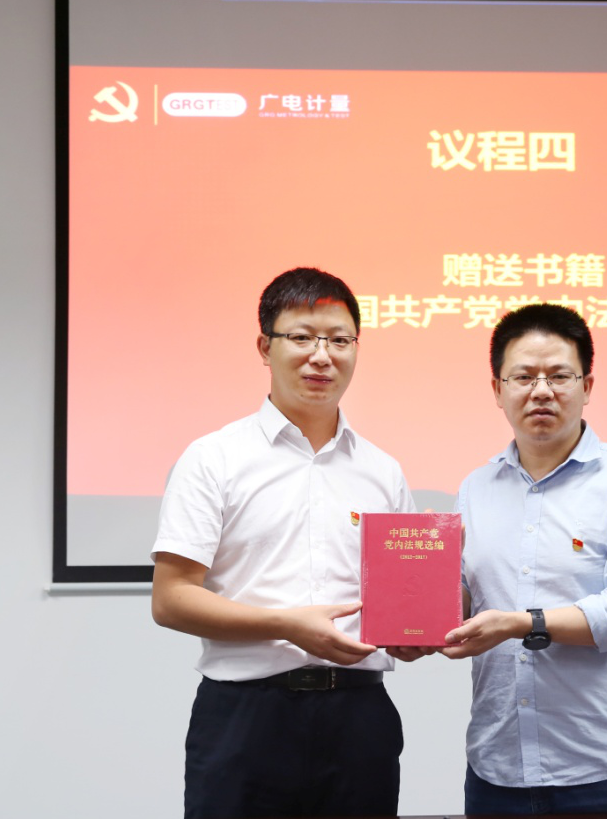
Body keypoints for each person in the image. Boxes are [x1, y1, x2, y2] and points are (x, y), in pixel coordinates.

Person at [151, 267, 414, 819]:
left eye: (339, 340)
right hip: (246, 718)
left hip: (359, 717)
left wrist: (412, 634)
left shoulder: (383, 471)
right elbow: (171, 599)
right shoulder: (214, 458)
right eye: (301, 337)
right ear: (264, 347)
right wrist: (287, 624)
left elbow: (401, 601)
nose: (322, 356)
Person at [442, 303, 607, 815]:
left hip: (599, 766)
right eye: (524, 376)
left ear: (587, 386)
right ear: (497, 389)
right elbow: (463, 598)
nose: (541, 390)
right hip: (497, 764)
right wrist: (416, 614)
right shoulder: (475, 488)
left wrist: (522, 623)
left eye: (559, 376)